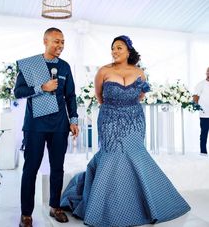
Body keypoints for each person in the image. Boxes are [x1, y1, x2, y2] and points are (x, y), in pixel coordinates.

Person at [60, 35, 190, 227]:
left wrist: (128, 108)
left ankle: (142, 205)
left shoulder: (139, 72)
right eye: (113, 48)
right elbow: (99, 96)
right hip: (110, 120)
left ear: (128, 51)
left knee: (135, 156)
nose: (114, 51)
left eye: (119, 48)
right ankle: (105, 208)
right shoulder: (103, 71)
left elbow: (141, 95)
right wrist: (115, 110)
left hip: (135, 120)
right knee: (111, 156)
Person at [14, 27, 79, 227]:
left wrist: (74, 120)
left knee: (57, 168)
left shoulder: (66, 67)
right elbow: (18, 92)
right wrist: (42, 88)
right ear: (45, 41)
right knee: (31, 168)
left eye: (63, 42)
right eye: (56, 41)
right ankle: (26, 214)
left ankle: (55, 207)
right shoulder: (31, 64)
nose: (60, 45)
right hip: (35, 125)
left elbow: (70, 96)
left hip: (59, 125)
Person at [193, 67, 209, 155]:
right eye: (208, 72)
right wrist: (197, 106)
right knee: (204, 134)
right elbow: (195, 96)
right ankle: (203, 152)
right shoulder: (201, 84)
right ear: (206, 73)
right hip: (204, 113)